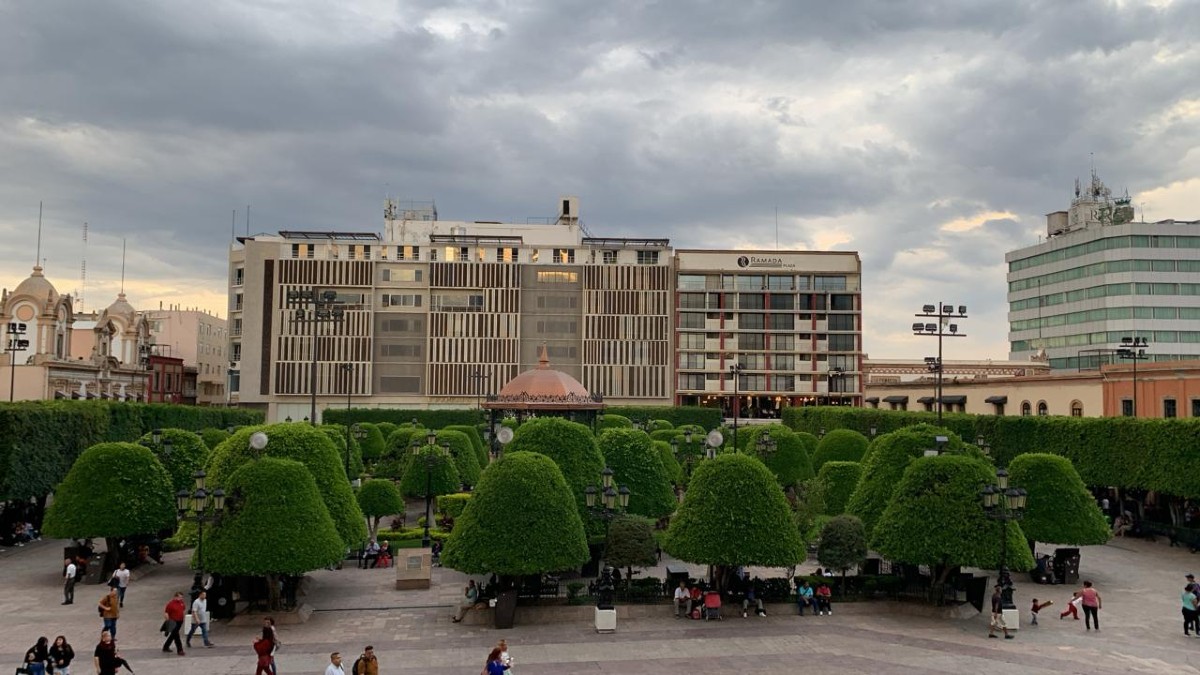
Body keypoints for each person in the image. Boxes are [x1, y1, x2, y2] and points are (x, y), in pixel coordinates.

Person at [162, 591, 187, 655]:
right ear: (175, 597)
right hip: (173, 621)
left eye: (181, 597)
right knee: (176, 635)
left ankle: (166, 646)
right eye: (179, 597)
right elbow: (166, 613)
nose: (181, 598)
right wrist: (168, 622)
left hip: (180, 621)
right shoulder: (170, 604)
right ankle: (180, 650)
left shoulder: (181, 603)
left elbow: (183, 609)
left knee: (173, 634)